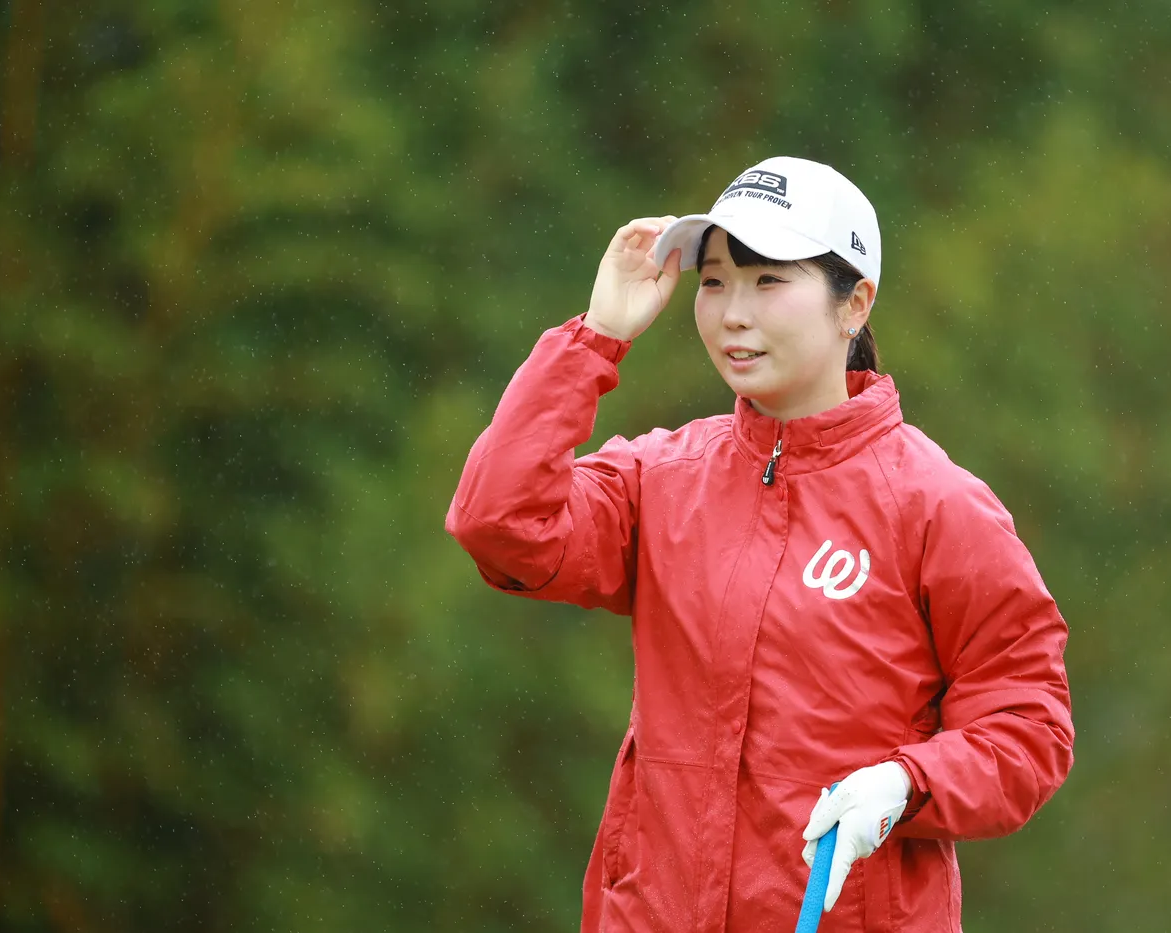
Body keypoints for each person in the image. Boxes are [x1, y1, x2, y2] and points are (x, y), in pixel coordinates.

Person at [446, 156, 1074, 932]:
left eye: (769, 280)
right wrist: (595, 338)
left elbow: (1028, 728)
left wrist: (906, 782)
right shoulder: (660, 476)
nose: (733, 313)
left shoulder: (938, 506)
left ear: (855, 304)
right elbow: (499, 522)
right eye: (714, 282)